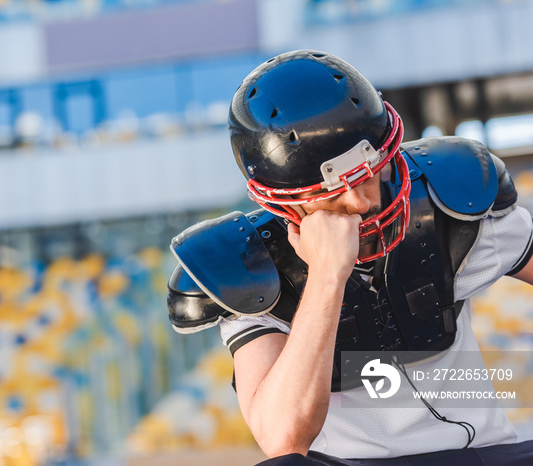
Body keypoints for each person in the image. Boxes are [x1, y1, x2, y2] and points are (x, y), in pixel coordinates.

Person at [166, 50, 533, 465]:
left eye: (367, 171)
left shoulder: (446, 208)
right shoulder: (251, 266)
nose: (360, 202)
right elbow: (283, 439)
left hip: (482, 455)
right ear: (284, 199)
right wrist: (326, 277)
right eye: (330, 192)